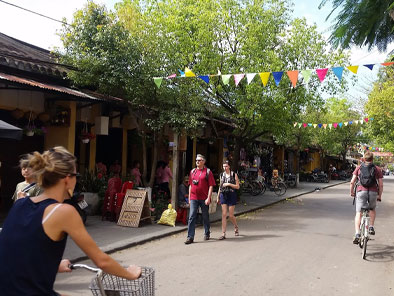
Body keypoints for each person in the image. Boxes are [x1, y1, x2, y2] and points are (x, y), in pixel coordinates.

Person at [0, 146, 141, 295]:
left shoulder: (20, 203)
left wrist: (54, 265)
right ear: (67, 179)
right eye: (76, 176)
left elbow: (16, 251)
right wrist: (130, 274)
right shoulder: (63, 211)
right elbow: (101, 261)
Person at [350, 151, 383, 244]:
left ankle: (357, 234)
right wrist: (379, 195)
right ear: (372, 159)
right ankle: (371, 226)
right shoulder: (377, 169)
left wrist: (351, 192)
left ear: (364, 159)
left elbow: (352, 182)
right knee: (372, 209)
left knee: (359, 213)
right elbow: (380, 185)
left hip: (361, 191)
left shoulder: (359, 168)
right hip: (373, 192)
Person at [185, 154, 216, 244]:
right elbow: (190, 185)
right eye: (196, 160)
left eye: (199, 160)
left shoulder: (208, 172)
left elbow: (211, 186)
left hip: (204, 198)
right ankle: (190, 237)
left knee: (205, 216)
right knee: (191, 216)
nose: (197, 162)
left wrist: (208, 197)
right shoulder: (193, 172)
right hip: (194, 197)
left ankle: (207, 232)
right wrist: (190, 198)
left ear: (203, 162)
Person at [217, 161, 240, 240]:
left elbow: (237, 186)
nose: (225, 168)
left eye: (226, 166)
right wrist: (218, 196)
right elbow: (220, 186)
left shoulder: (234, 175)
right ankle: (223, 233)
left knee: (230, 215)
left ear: (229, 166)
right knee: (224, 214)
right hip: (223, 194)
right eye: (223, 166)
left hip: (231, 194)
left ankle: (236, 227)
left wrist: (229, 184)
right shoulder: (221, 175)